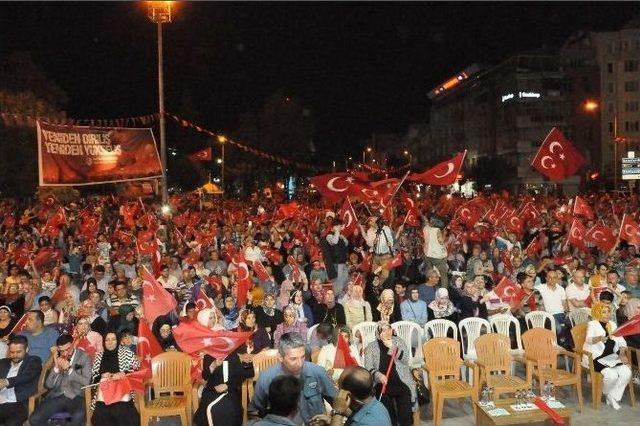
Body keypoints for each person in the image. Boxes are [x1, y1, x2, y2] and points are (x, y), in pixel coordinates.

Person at [249, 332, 336, 425]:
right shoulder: (266, 379)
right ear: (280, 357)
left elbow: (337, 402)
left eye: (303, 357)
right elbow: (254, 413)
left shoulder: (317, 372)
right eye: (293, 359)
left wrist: (331, 419)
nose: (300, 363)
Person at [29, 334, 92, 426]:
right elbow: (48, 385)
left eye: (67, 349)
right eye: (62, 351)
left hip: (76, 396)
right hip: (57, 395)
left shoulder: (84, 357)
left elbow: (86, 382)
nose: (65, 353)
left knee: (77, 419)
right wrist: (56, 369)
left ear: (73, 345)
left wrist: (69, 370)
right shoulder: (58, 358)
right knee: (34, 419)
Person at [362, 321, 415, 426]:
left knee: (405, 409)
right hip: (382, 384)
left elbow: (405, 360)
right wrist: (378, 376)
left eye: (389, 329)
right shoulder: (371, 347)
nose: (387, 332)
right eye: (384, 330)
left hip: (401, 381)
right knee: (387, 410)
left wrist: (392, 347)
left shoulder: (399, 342)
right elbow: (368, 367)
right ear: (378, 333)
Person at [583, 302, 632, 410]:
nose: (607, 314)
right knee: (612, 376)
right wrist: (599, 338)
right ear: (597, 313)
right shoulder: (593, 324)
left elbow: (621, 340)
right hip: (595, 357)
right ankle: (608, 394)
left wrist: (623, 351)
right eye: (603, 312)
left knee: (626, 373)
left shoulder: (613, 324)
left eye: (608, 312)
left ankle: (612, 396)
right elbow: (588, 339)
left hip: (611, 357)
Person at [310, 366, 392, 426]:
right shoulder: (378, 406)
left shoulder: (365, 422)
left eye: (339, 389)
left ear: (347, 395)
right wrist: (331, 421)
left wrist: (338, 412)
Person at [90, 331, 141, 426]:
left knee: (120, 411)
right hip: (103, 396)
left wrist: (123, 373)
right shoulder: (99, 356)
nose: (110, 342)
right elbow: (93, 378)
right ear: (104, 342)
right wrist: (101, 376)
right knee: (101, 414)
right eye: (107, 340)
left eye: (113, 339)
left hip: (122, 393)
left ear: (117, 341)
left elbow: (137, 369)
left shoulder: (126, 352)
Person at [193, 349, 250, 426]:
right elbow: (205, 378)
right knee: (208, 408)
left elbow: (241, 376)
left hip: (230, 391)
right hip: (212, 391)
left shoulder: (232, 355)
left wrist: (227, 385)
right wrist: (213, 365)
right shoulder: (209, 355)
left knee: (229, 406)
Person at [0, 335, 42, 426]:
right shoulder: (3, 363)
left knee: (11, 423)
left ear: (26, 350)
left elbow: (27, 376)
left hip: (19, 403)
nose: (14, 355)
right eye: (12, 352)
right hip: (1, 400)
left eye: (18, 352)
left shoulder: (34, 361)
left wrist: (6, 382)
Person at [325, 218, 350, 296]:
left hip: (343, 262)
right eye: (339, 226)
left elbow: (346, 243)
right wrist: (337, 232)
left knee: (345, 282)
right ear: (334, 227)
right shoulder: (329, 235)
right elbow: (334, 242)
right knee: (338, 286)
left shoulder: (339, 235)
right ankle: (336, 302)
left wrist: (343, 238)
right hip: (335, 264)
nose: (341, 227)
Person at [422, 216, 449, 287]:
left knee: (430, 274)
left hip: (427, 255)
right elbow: (441, 241)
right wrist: (444, 234)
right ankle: (444, 292)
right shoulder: (437, 230)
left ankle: (430, 288)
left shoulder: (425, 229)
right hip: (437, 256)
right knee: (443, 275)